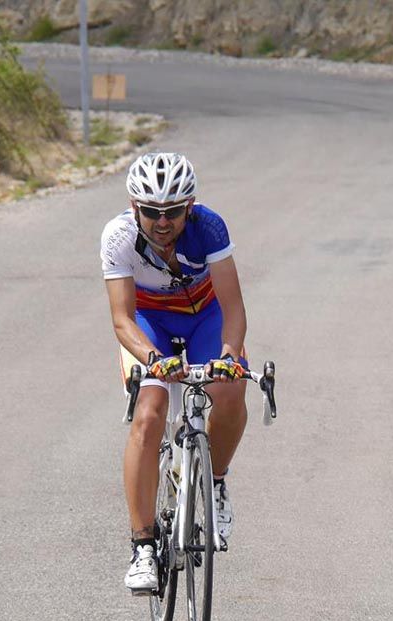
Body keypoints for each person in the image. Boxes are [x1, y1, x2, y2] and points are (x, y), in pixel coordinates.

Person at [100, 152, 249, 594]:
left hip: (206, 316)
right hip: (150, 325)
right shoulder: (118, 236)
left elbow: (234, 308)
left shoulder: (210, 227)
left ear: (191, 206)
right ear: (134, 206)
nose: (162, 222)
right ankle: (143, 546)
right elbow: (122, 320)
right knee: (150, 412)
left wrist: (229, 355)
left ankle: (214, 483)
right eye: (151, 211)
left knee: (230, 390)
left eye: (173, 211)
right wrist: (152, 359)